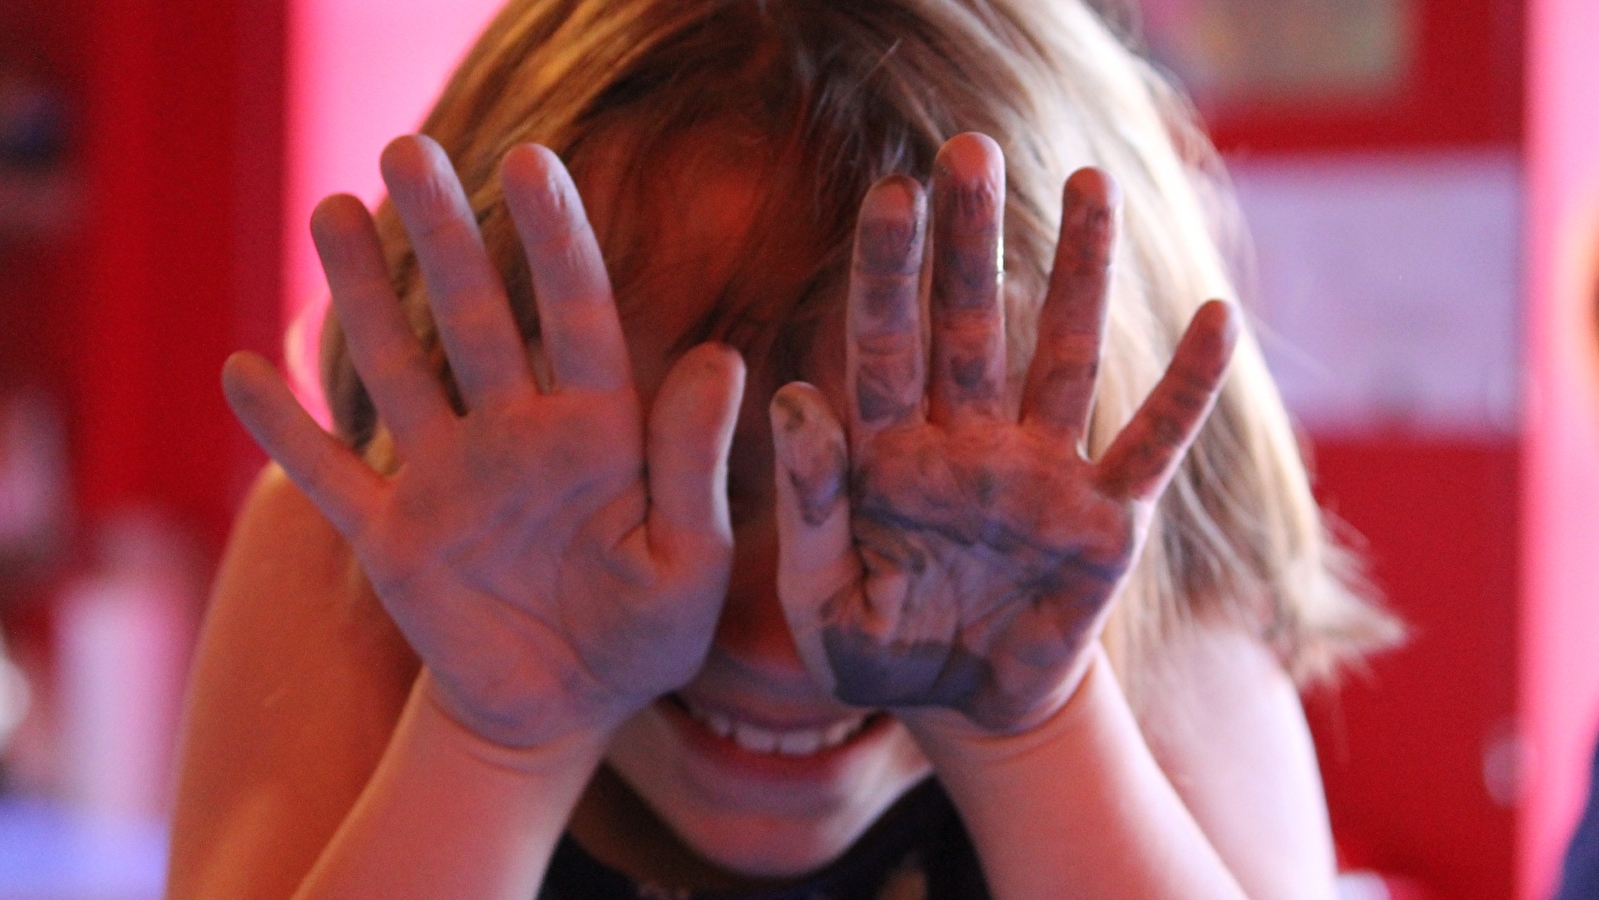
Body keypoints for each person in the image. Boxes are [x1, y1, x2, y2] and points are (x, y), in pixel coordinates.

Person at [163, 1, 1399, 898]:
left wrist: (1033, 730)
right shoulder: (362, 569)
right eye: (657, 481)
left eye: (878, 506)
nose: (772, 633)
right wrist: (496, 741)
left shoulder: (1146, 604)